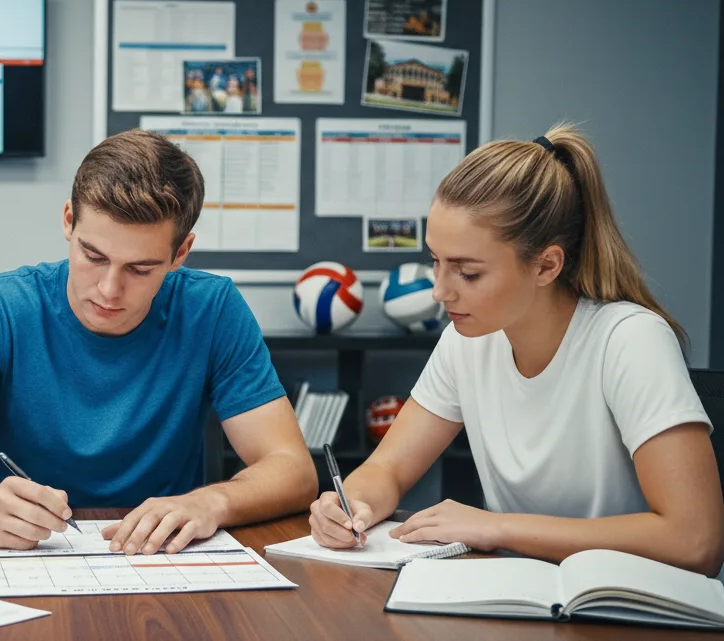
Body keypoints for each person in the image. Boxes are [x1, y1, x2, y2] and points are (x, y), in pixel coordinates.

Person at [308, 123, 724, 575]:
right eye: (435, 262)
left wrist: (499, 528)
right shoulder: (465, 340)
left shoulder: (631, 340)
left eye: (467, 273)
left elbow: (695, 540)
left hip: (631, 608)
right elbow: (387, 470)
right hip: (524, 599)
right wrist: (350, 506)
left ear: (546, 265)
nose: (440, 292)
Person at [0, 129, 317, 556]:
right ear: (68, 220)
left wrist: (212, 501)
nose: (110, 290)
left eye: (141, 268)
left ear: (181, 253)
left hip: (163, 558)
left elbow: (293, 470)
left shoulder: (213, 309)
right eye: (94, 256)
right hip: (26, 554)